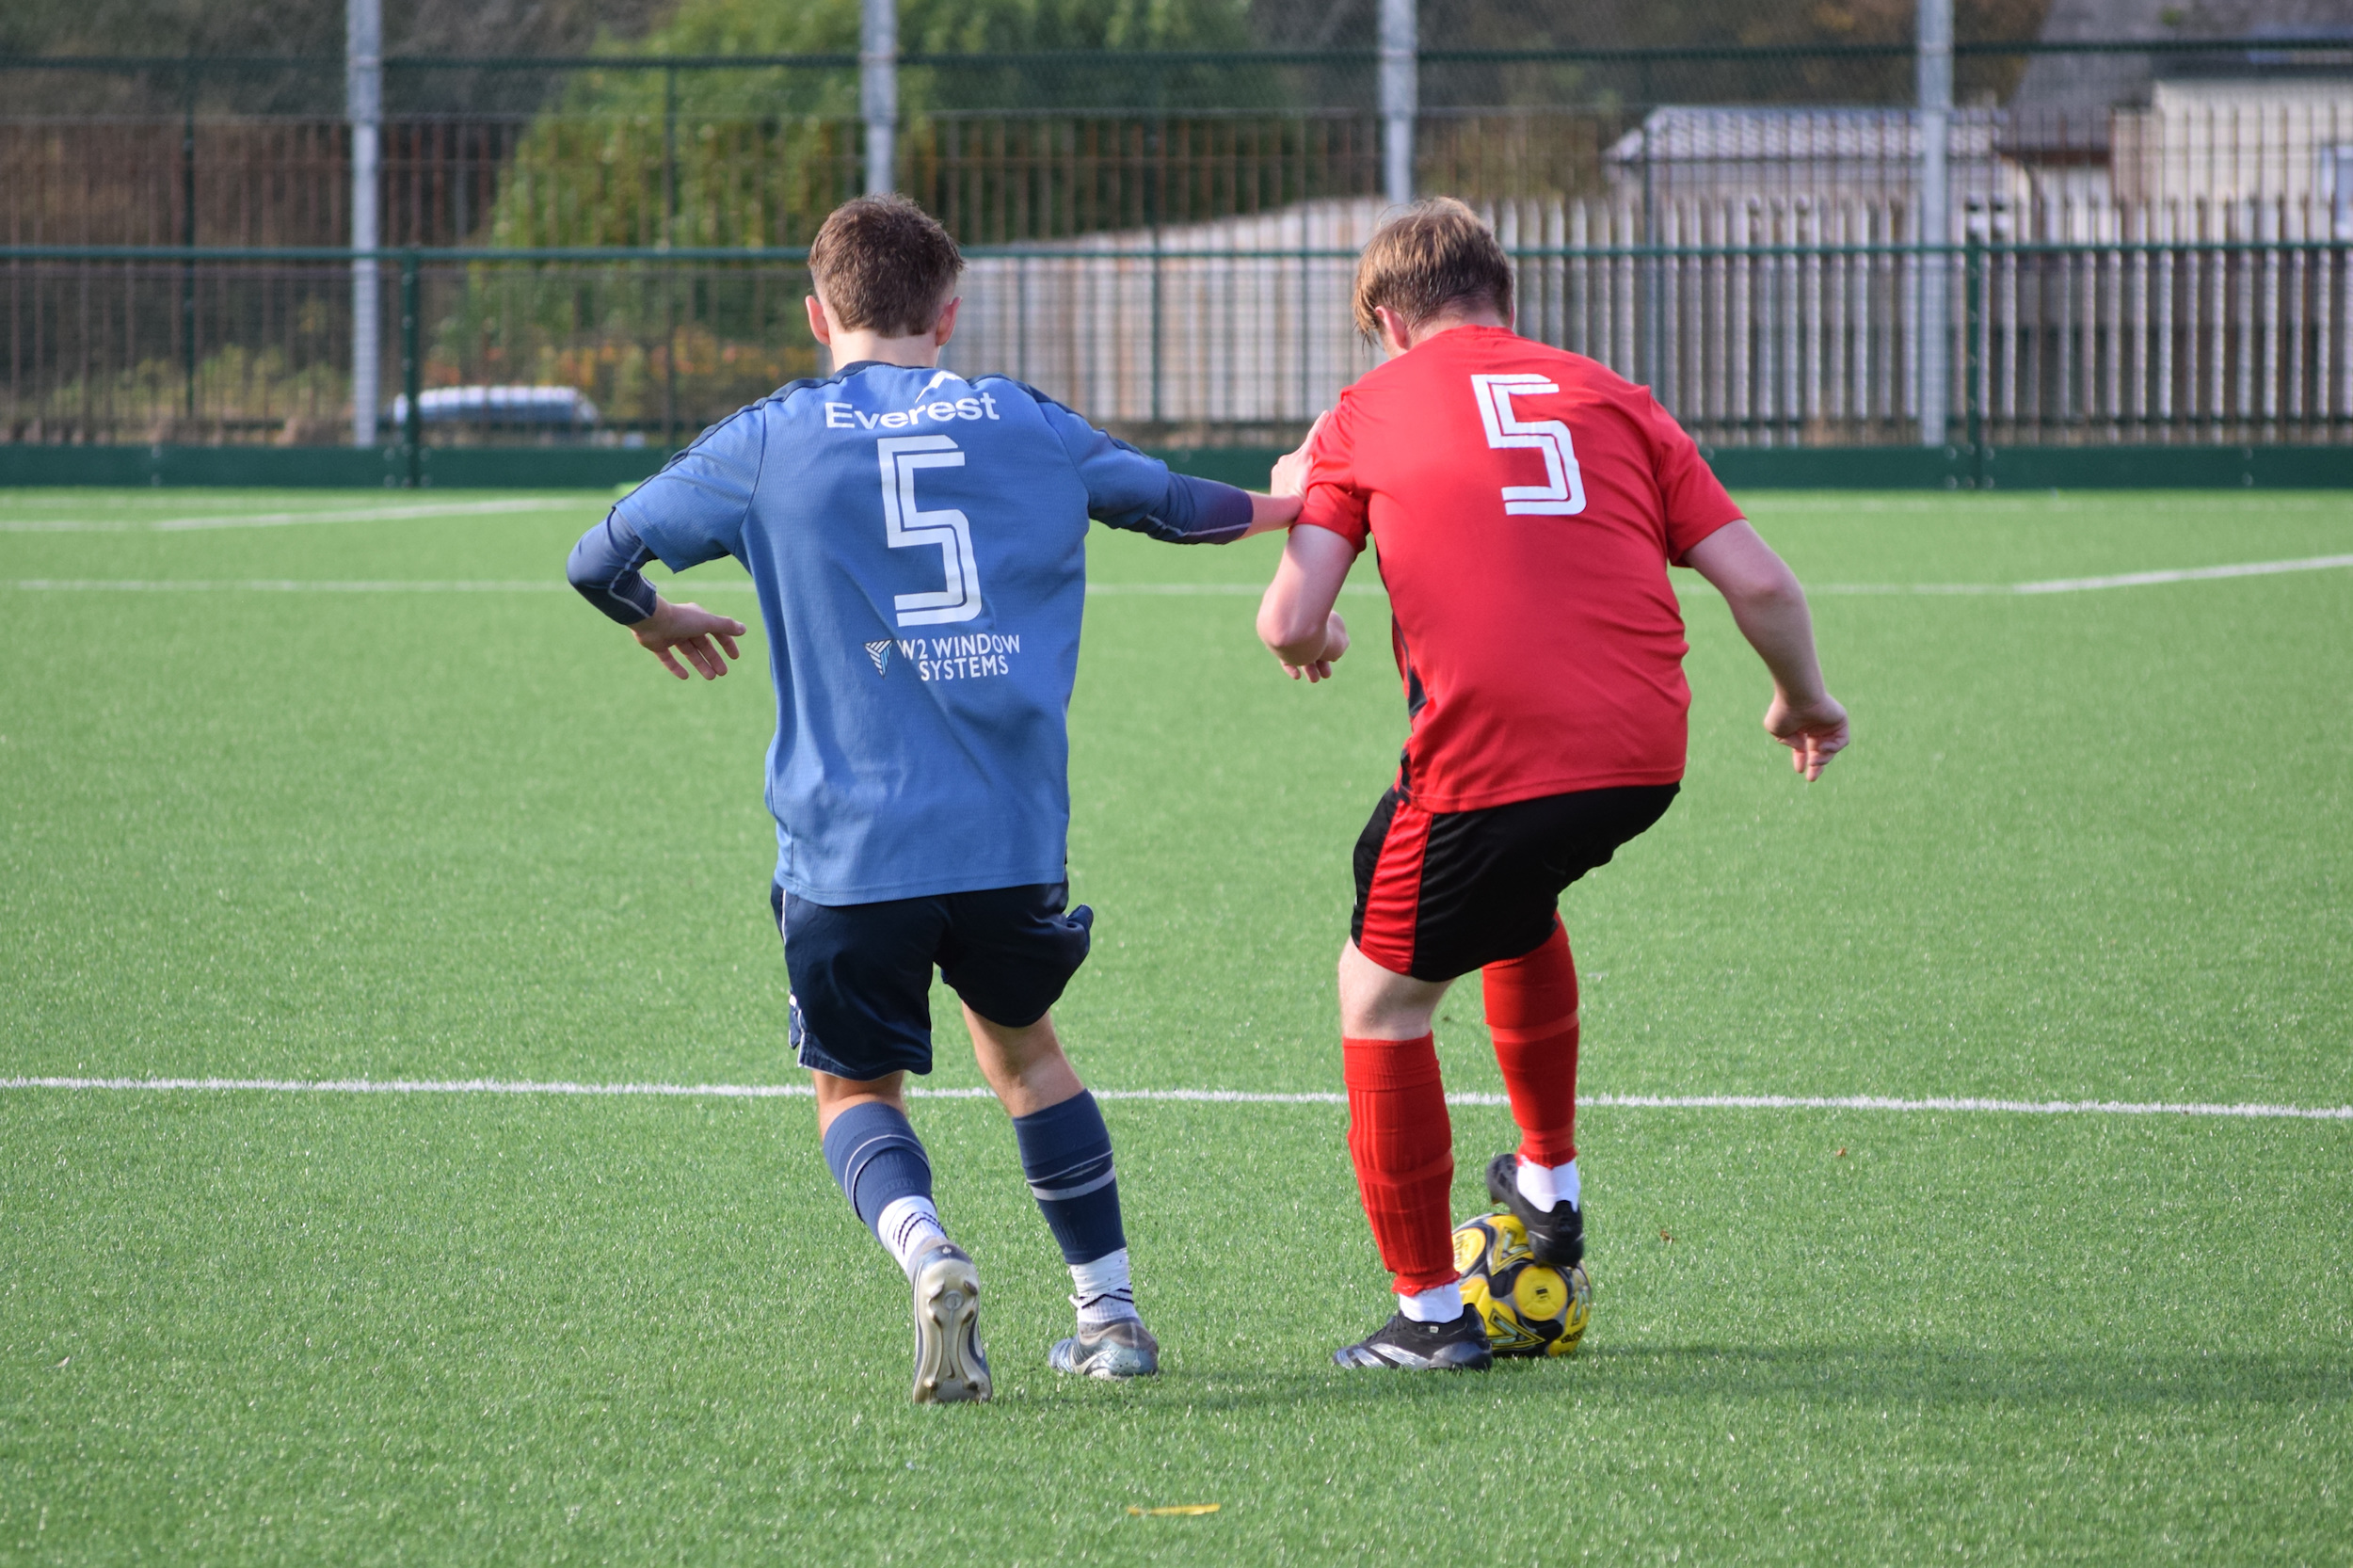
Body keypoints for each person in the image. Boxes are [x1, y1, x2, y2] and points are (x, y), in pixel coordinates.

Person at [566, 195, 1302, 1402]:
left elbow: (597, 563)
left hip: (847, 848)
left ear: (817, 315)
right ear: (948, 315)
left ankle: (927, 1249)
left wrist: (661, 619)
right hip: (1009, 836)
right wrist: (1301, 500)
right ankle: (1111, 1318)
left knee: (853, 1089)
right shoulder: (1023, 420)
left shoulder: (766, 438)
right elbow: (1183, 508)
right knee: (1026, 1055)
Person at [1256, 198, 1850, 1370]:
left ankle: (1427, 1318)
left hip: (1492, 761)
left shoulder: (1360, 412)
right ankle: (1546, 1182)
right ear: (1504, 297)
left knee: (1378, 998)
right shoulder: (1611, 392)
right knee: (1514, 904)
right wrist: (1801, 700)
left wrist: (1304, 628)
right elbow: (1765, 586)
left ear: (1383, 318)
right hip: (1642, 754)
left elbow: (1289, 614)